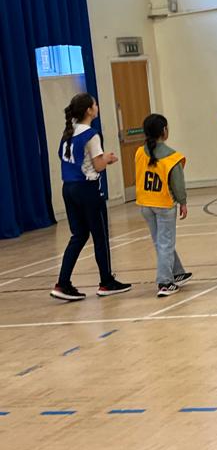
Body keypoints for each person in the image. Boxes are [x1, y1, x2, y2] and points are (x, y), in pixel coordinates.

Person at [50, 93, 132, 301]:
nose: (97, 106)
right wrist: (108, 159)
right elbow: (97, 166)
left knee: (78, 235)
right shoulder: (91, 134)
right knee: (100, 235)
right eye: (95, 104)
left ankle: (62, 283)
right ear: (89, 110)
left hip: (68, 188)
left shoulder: (68, 133)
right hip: (87, 189)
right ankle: (106, 282)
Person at [135, 114, 192, 297]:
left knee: (160, 242)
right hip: (163, 205)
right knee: (165, 243)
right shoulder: (172, 157)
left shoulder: (139, 152)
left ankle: (177, 272)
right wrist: (183, 202)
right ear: (164, 131)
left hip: (145, 204)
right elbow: (178, 184)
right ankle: (165, 282)